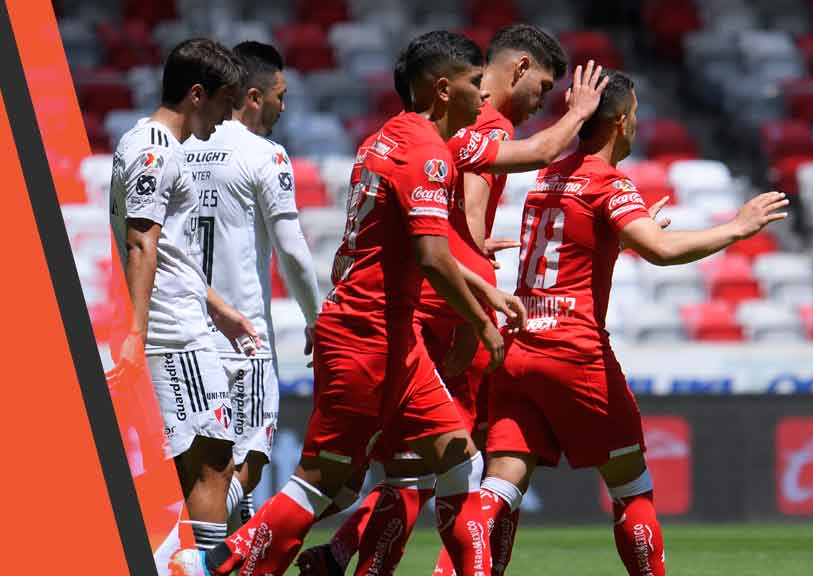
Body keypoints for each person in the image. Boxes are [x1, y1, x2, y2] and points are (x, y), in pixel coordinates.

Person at [170, 30, 526, 576]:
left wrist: (482, 289)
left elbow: (396, 247)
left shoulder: (384, 138)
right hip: (367, 336)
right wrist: (483, 323)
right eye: (476, 83)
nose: (485, 96)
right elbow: (431, 255)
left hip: (392, 336)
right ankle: (212, 567)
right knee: (318, 484)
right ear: (442, 89)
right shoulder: (427, 153)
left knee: (460, 462)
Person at [295, 26, 613, 576]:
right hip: (442, 312)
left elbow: (448, 213)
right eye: (540, 85)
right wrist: (476, 296)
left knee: (404, 467)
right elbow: (463, 209)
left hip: (410, 306)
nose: (541, 100)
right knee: (445, 463)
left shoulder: (444, 125)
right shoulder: (486, 123)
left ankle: (336, 554)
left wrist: (469, 249)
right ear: (516, 69)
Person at [480, 71, 789, 576]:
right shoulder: (607, 181)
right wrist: (739, 226)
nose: (639, 123)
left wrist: (614, 240)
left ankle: (456, 569)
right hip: (574, 351)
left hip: (519, 347)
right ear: (622, 123)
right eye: (638, 114)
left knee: (501, 484)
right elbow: (662, 251)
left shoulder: (547, 178)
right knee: (630, 485)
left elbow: (568, 252)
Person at [108, 37, 259, 552]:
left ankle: (176, 560)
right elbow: (141, 242)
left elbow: (168, 248)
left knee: (193, 468)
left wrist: (218, 309)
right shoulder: (153, 149)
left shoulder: (152, 144)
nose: (226, 117)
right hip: (172, 333)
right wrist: (136, 333)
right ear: (198, 94)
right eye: (224, 102)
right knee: (213, 463)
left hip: (184, 321)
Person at [182, 40, 320, 528]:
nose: (285, 105)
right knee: (248, 465)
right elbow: (293, 252)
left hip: (184, 330)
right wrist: (315, 319)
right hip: (243, 338)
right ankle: (183, 553)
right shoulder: (265, 155)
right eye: (280, 94)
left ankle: (215, 555)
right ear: (255, 95)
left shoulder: (181, 148)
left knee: (204, 472)